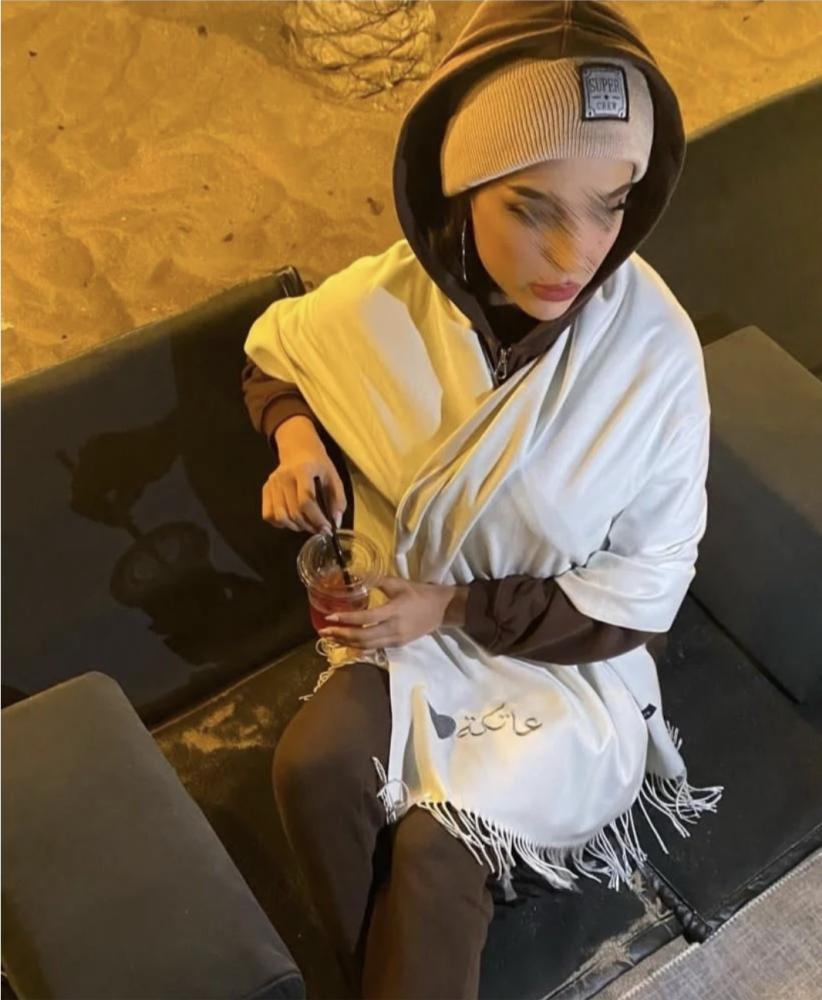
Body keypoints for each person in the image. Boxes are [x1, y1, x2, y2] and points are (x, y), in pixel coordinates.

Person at [242, 2, 724, 997]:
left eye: (611, 204)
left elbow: (639, 597)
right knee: (312, 769)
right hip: (401, 627)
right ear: (459, 188)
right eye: (533, 207)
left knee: (434, 850)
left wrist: (455, 606)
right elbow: (274, 354)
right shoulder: (386, 302)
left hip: (558, 665)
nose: (577, 254)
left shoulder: (654, 356)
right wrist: (295, 438)